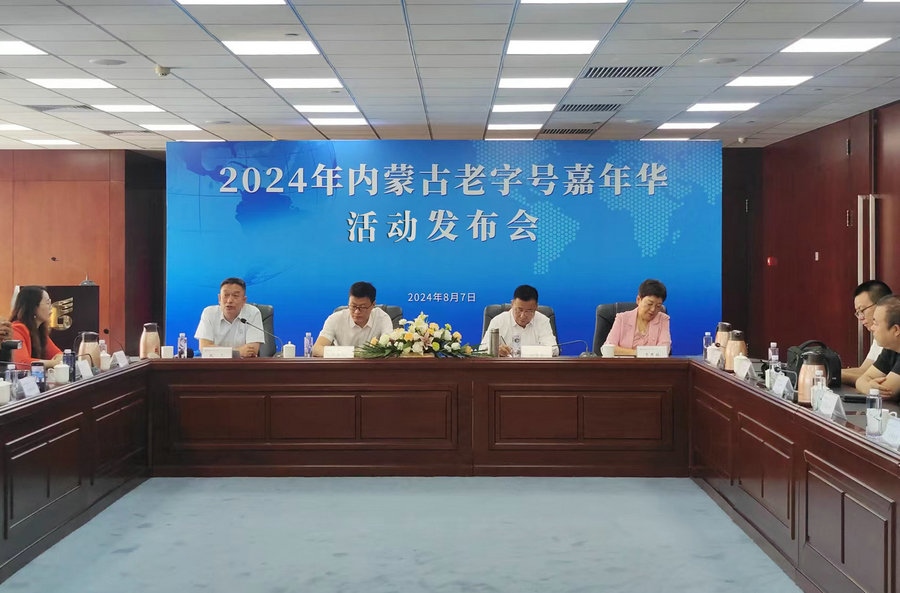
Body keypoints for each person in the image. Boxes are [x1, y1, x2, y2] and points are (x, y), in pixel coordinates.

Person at [312, 281, 393, 357]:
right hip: (343, 365)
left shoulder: (382, 318)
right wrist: (354, 353)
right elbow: (317, 349)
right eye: (353, 306)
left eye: (363, 307)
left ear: (373, 305)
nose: (357, 312)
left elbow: (389, 349)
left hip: (373, 366)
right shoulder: (335, 319)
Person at [194, 277, 264, 358]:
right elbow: (204, 348)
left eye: (235, 296)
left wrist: (217, 351)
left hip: (243, 364)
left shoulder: (253, 313)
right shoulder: (209, 313)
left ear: (244, 300)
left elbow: (252, 350)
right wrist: (238, 352)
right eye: (226, 295)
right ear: (219, 298)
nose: (229, 300)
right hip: (214, 364)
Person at [480, 285, 558, 357]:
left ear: (536, 307)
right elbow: (482, 350)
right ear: (512, 304)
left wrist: (521, 351)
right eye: (519, 310)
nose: (522, 316)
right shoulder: (499, 321)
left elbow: (554, 350)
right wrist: (496, 350)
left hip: (534, 367)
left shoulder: (542, 321)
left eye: (528, 311)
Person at [842, 280, 892, 385]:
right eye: (858, 313)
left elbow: (882, 381)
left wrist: (829, 374)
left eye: (862, 310)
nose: (860, 318)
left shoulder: (892, 338)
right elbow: (864, 370)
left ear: (881, 305)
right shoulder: (878, 335)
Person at [604, 278, 671, 356]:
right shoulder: (622, 318)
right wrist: (637, 353)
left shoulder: (663, 319)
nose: (653, 309)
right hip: (624, 363)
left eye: (658, 306)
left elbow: (664, 349)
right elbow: (608, 348)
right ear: (638, 300)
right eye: (649, 304)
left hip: (652, 364)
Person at [855, 294, 900, 399]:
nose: (872, 328)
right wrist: (868, 387)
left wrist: (868, 387)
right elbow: (861, 380)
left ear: (896, 330)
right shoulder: (890, 349)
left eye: (876, 323)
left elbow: (886, 390)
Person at [9, 285, 64, 368]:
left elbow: (58, 354)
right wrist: (53, 363)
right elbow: (22, 363)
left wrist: (57, 361)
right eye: (47, 303)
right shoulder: (16, 329)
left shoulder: (39, 330)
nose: (51, 307)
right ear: (33, 307)